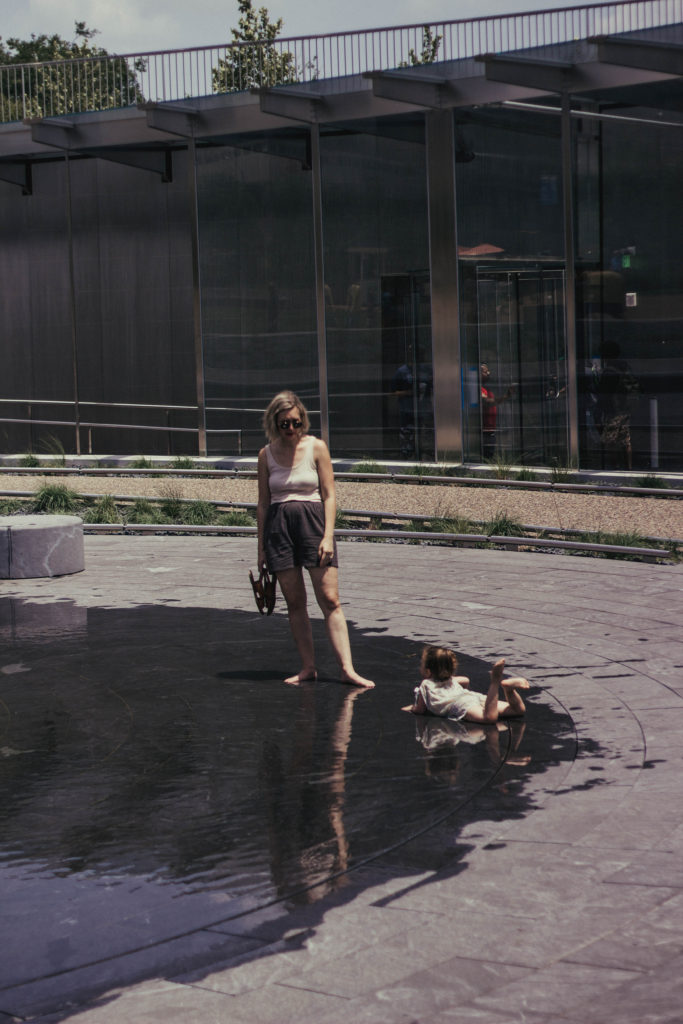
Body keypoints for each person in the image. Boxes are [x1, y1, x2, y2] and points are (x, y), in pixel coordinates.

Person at [257, 390, 374, 689]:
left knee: (330, 599)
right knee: (295, 603)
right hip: (279, 529)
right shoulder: (266, 455)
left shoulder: (316, 447)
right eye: (285, 424)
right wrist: (261, 550)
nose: (291, 429)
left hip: (313, 524)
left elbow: (329, 494)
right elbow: (263, 503)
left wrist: (328, 536)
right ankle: (308, 667)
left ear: (302, 420)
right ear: (275, 422)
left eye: (296, 423)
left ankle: (347, 669)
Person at [402, 645, 529, 723]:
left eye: (421, 665)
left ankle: (495, 682)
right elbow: (465, 680)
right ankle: (508, 689)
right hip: (472, 696)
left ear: (428, 672)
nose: (420, 668)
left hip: (460, 704)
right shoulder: (451, 680)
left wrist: (410, 708)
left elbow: (420, 709)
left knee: (489, 718)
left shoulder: (426, 684)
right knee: (517, 710)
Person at [480, 363, 512, 460]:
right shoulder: (478, 390)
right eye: (485, 372)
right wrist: (506, 397)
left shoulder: (486, 389)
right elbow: (487, 402)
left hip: (490, 430)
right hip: (484, 432)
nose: (488, 373)